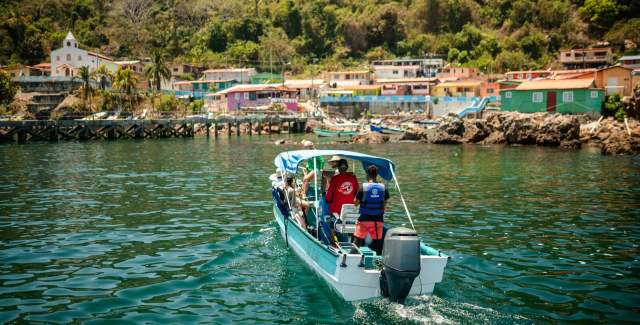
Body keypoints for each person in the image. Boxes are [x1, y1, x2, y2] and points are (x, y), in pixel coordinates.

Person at [353, 165, 389, 255]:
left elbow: (355, 203)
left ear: (367, 174)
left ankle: (352, 257)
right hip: (378, 220)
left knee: (357, 241)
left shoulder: (363, 187)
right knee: (377, 242)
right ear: (377, 175)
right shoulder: (383, 188)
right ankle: (379, 262)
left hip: (364, 219)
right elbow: (384, 202)